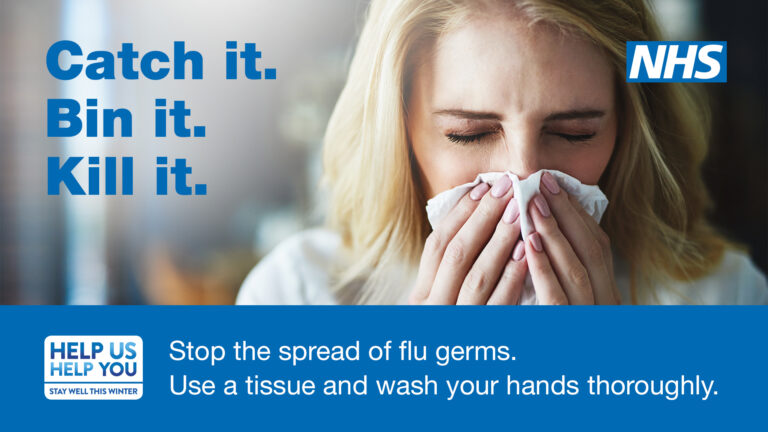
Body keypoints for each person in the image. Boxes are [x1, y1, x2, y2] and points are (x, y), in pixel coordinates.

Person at [237, 0, 767, 305]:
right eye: (469, 134)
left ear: (628, 130)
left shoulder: (727, 300)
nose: (524, 177)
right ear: (398, 133)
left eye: (576, 133)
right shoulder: (295, 296)